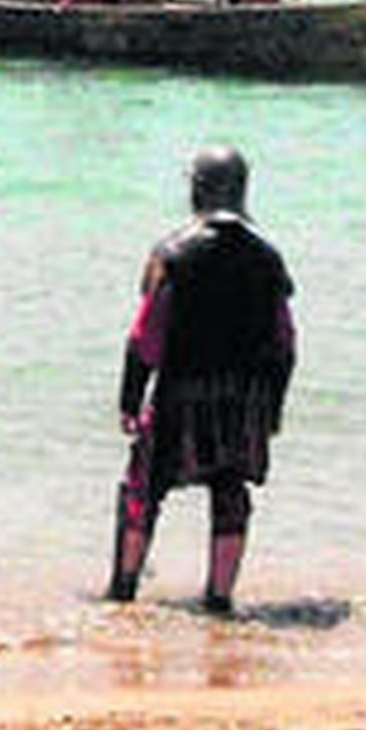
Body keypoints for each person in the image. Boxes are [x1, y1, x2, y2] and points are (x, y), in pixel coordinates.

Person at [108, 146, 296, 612]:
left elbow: (145, 339)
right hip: (244, 398)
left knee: (142, 490)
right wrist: (272, 409)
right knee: (230, 491)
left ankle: (124, 591)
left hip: (180, 394)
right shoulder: (269, 259)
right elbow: (285, 345)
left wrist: (130, 401)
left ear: (196, 189)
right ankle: (219, 598)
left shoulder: (171, 254)